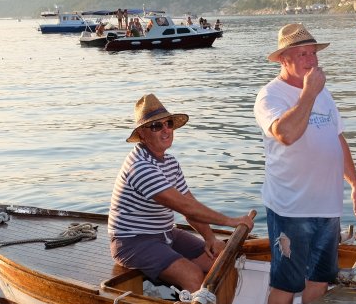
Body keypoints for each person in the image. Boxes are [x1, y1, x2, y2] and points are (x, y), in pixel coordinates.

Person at [254, 23, 356, 304]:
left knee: (319, 279)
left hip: (328, 206)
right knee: (286, 284)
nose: (311, 60)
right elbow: (286, 134)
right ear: (283, 59)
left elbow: (337, 139)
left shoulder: (323, 93)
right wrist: (308, 94)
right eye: (302, 54)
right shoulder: (270, 96)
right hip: (292, 208)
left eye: (313, 53)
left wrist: (355, 185)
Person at [109, 93, 255, 292]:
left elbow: (189, 207)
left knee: (222, 265)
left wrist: (210, 238)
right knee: (193, 275)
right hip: (133, 242)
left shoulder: (170, 163)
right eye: (156, 126)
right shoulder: (140, 167)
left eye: (168, 123)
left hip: (166, 233)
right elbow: (185, 207)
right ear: (142, 134)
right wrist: (230, 221)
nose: (165, 130)